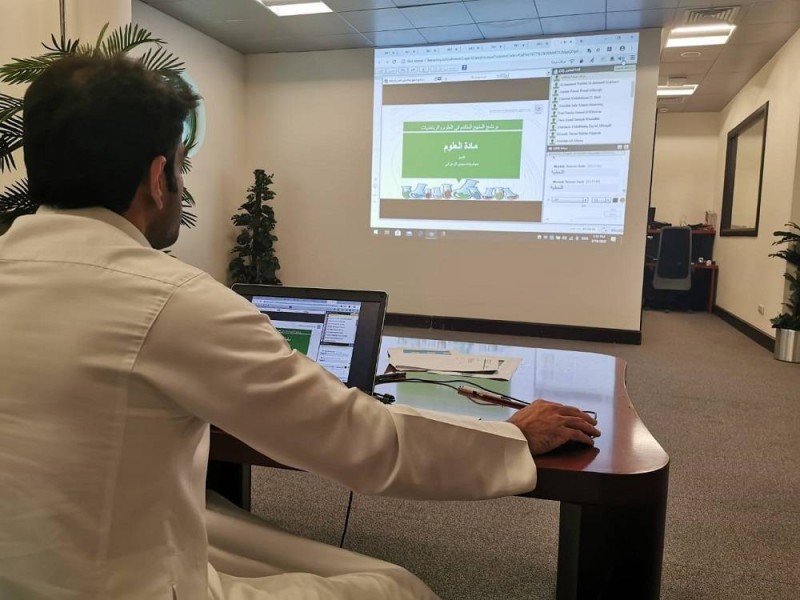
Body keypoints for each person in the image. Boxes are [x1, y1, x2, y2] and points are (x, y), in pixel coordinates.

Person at [0, 55, 600, 600]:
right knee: (398, 588)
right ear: (160, 179)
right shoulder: (173, 300)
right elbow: (361, 440)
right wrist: (511, 437)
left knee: (228, 523)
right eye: (182, 167)